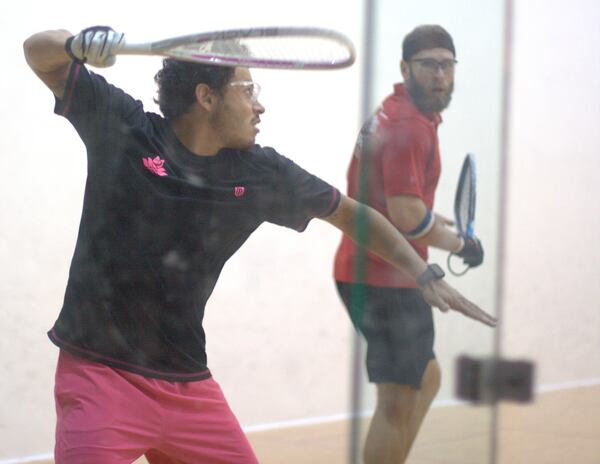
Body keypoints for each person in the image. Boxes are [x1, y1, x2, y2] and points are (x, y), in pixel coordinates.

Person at [23, 25, 495, 464]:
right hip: (100, 377)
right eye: (247, 90)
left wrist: (422, 271)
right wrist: (73, 44)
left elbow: (353, 215)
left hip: (187, 385)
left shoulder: (260, 172)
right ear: (207, 97)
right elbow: (37, 53)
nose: (259, 105)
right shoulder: (126, 129)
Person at [334, 25, 487, 464]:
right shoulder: (409, 125)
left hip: (374, 270)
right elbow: (404, 216)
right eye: (428, 65)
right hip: (387, 277)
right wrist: (461, 246)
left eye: (446, 65)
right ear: (406, 68)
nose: (439, 75)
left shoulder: (396, 112)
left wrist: (435, 224)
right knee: (397, 400)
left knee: (429, 377)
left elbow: (396, 201)